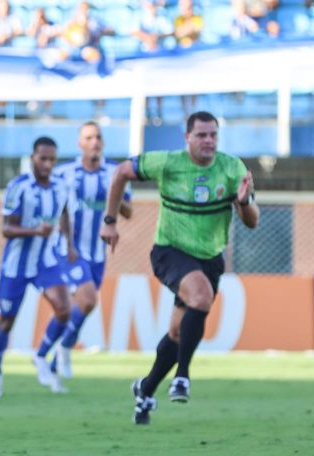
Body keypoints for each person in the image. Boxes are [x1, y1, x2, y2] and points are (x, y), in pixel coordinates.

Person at [100, 111, 260, 425]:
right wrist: (109, 220)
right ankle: (182, 377)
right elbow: (120, 172)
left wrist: (243, 202)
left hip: (209, 258)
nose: (208, 141)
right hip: (169, 251)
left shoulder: (232, 168)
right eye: (201, 135)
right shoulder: (167, 163)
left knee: (177, 332)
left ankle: (145, 390)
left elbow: (252, 221)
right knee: (201, 297)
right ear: (187, 137)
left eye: (213, 135)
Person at [0, 136, 74, 398]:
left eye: (52, 160)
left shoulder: (61, 186)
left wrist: (69, 244)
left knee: (64, 309)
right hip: (16, 265)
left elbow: (64, 213)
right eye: (43, 158)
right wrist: (35, 230)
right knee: (6, 320)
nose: (47, 164)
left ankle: (41, 355)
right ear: (33, 157)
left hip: (46, 261)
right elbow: (6, 229)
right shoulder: (18, 186)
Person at [46, 121, 133, 380]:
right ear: (79, 143)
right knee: (87, 300)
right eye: (88, 138)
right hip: (69, 249)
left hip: (97, 253)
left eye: (98, 137)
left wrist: (113, 196)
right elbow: (52, 207)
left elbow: (128, 211)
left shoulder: (115, 172)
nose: (94, 142)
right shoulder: (64, 173)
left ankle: (52, 360)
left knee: (80, 306)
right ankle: (61, 348)